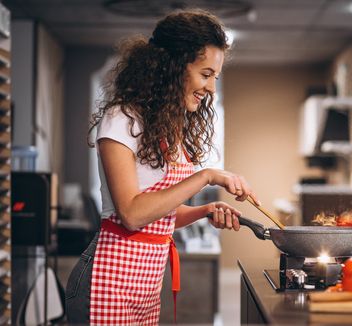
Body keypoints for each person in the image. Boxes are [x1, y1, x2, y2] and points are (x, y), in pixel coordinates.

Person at [65, 9, 260, 325]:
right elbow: (131, 214)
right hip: (107, 280)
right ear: (172, 67)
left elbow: (159, 215)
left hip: (144, 285)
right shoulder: (122, 119)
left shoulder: (166, 127)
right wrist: (207, 175)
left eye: (216, 77)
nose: (211, 88)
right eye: (205, 74)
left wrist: (205, 210)